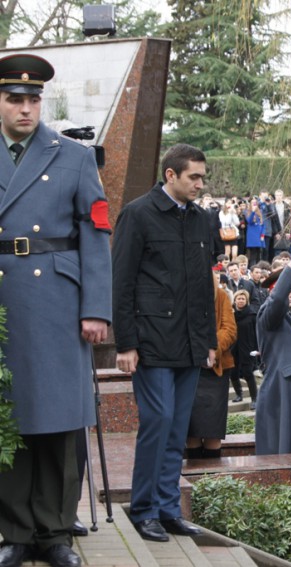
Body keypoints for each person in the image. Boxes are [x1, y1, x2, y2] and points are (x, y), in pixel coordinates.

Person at [0, 53, 111, 567]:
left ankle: (55, 532)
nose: (25, 108)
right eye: (14, 99)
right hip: (4, 302)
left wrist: (96, 310)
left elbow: (96, 236)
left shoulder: (72, 155)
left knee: (60, 419)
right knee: (10, 418)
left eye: (33, 100)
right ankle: (16, 531)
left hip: (58, 301)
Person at [113, 144, 216, 543]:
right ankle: (144, 511)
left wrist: (207, 341)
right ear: (170, 175)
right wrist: (126, 344)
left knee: (177, 429)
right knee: (157, 424)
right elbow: (121, 283)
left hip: (190, 343)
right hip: (152, 341)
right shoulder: (137, 214)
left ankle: (168, 510)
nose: (200, 184)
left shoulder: (200, 219)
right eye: (194, 177)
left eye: (202, 177)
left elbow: (203, 287)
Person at [254, 240, 291, 455]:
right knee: (286, 444)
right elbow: (278, 298)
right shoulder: (268, 314)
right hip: (283, 386)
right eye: (287, 289)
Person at [186, 275, 237, 458]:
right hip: (188, 369)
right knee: (190, 431)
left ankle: (213, 482)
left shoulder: (221, 296)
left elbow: (230, 329)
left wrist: (212, 347)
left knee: (212, 430)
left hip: (215, 371)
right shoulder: (183, 294)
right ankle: (193, 480)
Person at [230, 289, 259, 407]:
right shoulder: (231, 315)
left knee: (248, 373)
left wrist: (257, 348)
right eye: (238, 299)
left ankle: (254, 399)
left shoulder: (252, 315)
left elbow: (257, 332)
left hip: (248, 348)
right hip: (233, 348)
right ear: (235, 300)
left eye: (243, 299)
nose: (240, 301)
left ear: (246, 301)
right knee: (233, 373)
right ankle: (239, 394)